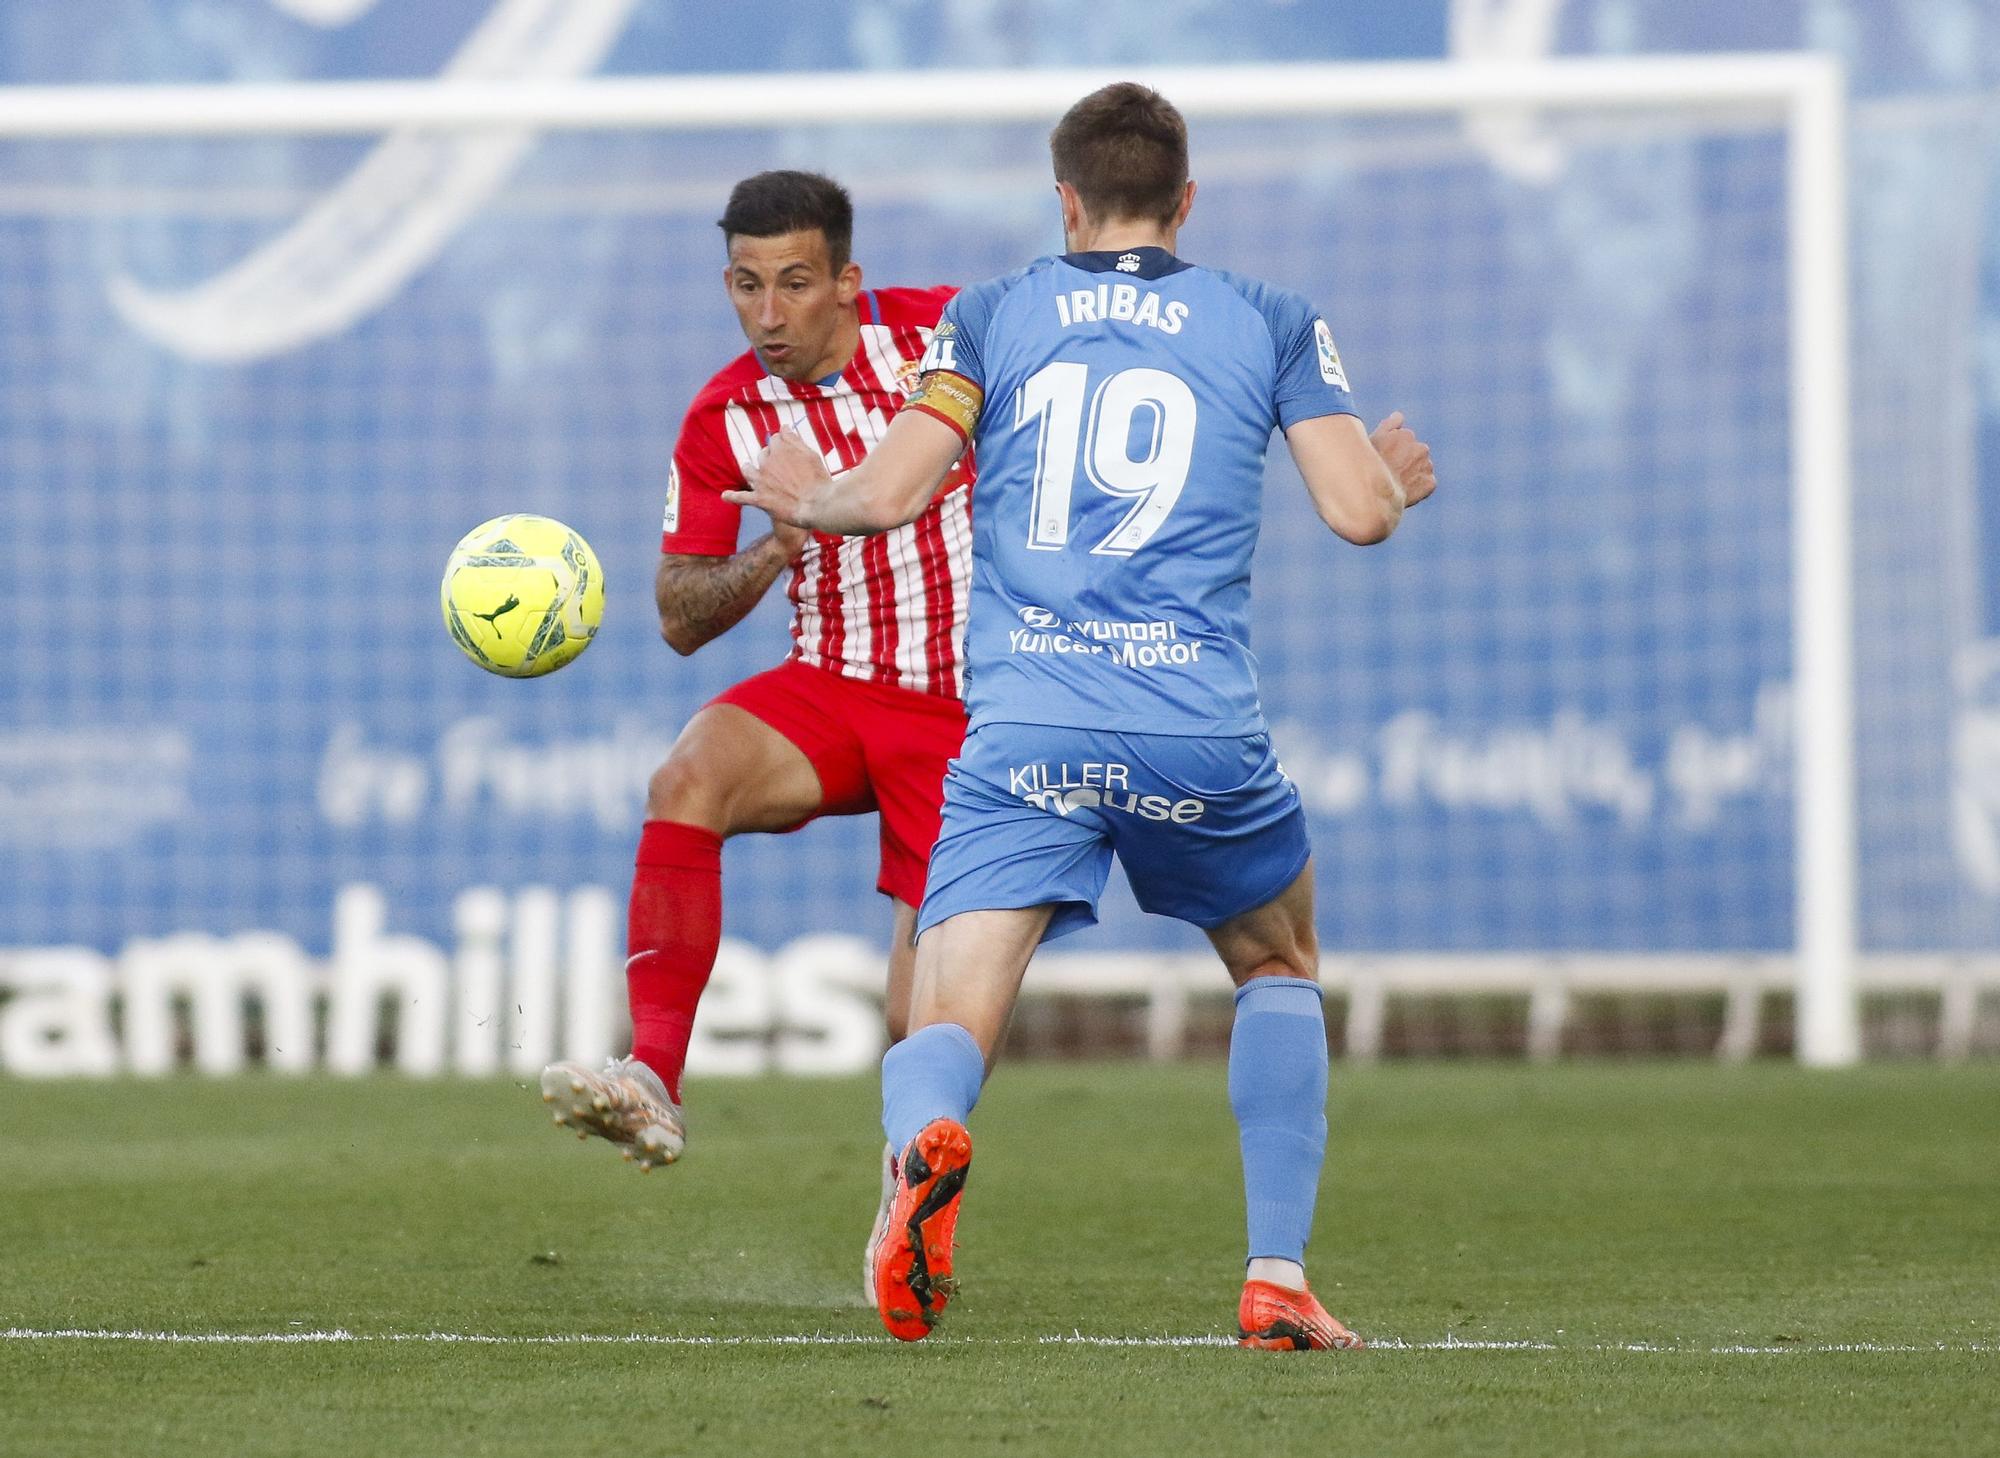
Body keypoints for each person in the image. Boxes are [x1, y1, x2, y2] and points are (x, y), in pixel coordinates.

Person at [732, 84, 1436, 1349]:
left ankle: (924, 1148)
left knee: (946, 1004)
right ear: (1185, 200)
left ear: (1063, 200)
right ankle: (1273, 1275)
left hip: (1026, 728)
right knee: (1275, 964)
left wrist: (808, 488)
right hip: (1192, 725)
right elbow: (1358, 513)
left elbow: (887, 498)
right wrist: (1392, 477)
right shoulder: (1269, 319)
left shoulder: (991, 314)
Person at [540, 172, 973, 1263]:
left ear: (846, 281)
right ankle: (651, 1075)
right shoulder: (722, 416)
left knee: (912, 1019)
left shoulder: (944, 333)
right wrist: (776, 545)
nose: (768, 315)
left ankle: (904, 1212)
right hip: (830, 684)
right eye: (745, 286)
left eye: (793, 284)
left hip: (972, 711)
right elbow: (680, 615)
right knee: (686, 777)